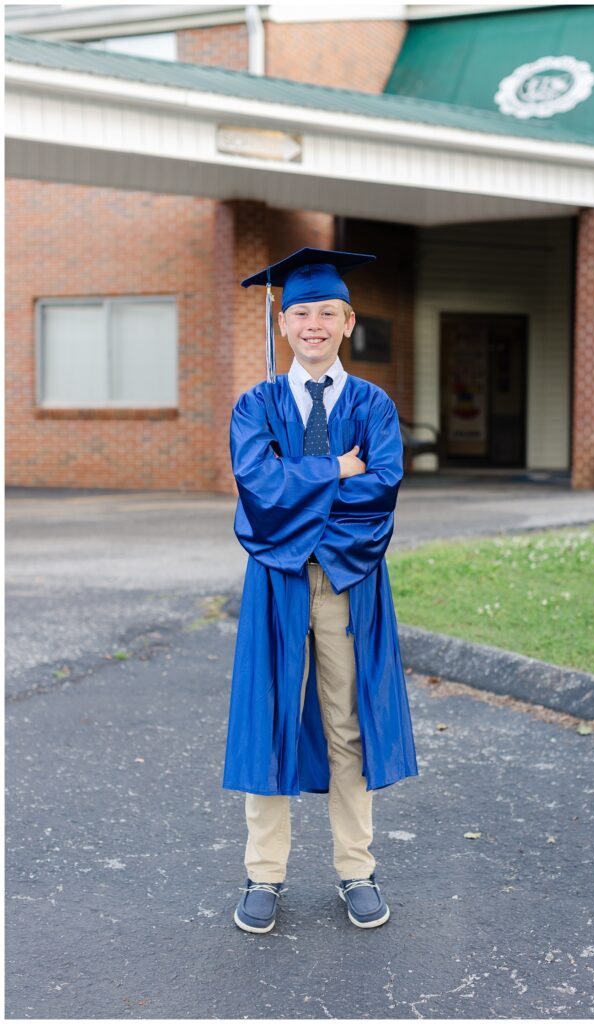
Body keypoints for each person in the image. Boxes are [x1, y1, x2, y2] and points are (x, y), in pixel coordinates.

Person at [222, 247, 419, 933]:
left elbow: (380, 491)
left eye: (325, 313)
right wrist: (335, 466)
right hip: (276, 582)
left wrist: (300, 491)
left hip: (347, 579)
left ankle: (356, 868)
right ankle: (264, 876)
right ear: (282, 323)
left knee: (348, 722)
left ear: (348, 321)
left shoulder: (374, 405)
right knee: (270, 716)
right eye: (300, 312)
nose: (313, 324)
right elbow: (259, 493)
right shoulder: (256, 405)